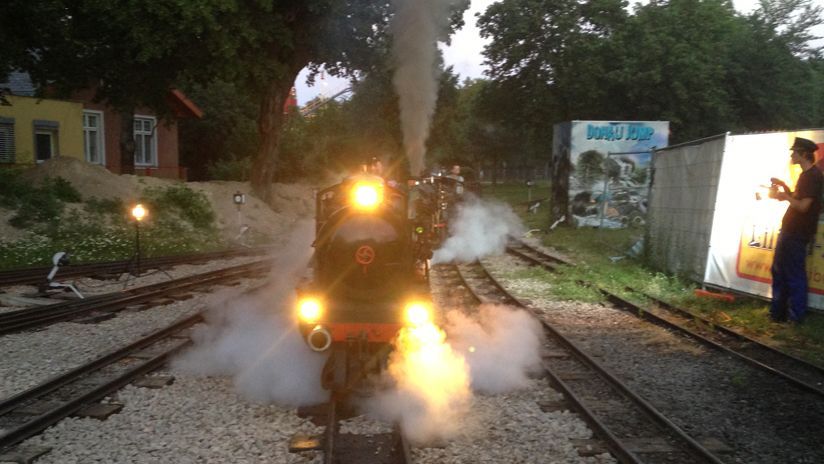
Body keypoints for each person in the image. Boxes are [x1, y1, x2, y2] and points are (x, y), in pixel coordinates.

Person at [769, 137, 823, 323]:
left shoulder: (812, 177)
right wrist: (785, 189)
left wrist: (785, 196)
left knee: (793, 274)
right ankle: (778, 314)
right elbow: (799, 200)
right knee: (780, 271)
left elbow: (803, 207)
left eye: (795, 152)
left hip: (796, 233)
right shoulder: (806, 176)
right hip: (791, 231)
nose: (792, 155)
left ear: (803, 154)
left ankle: (795, 316)